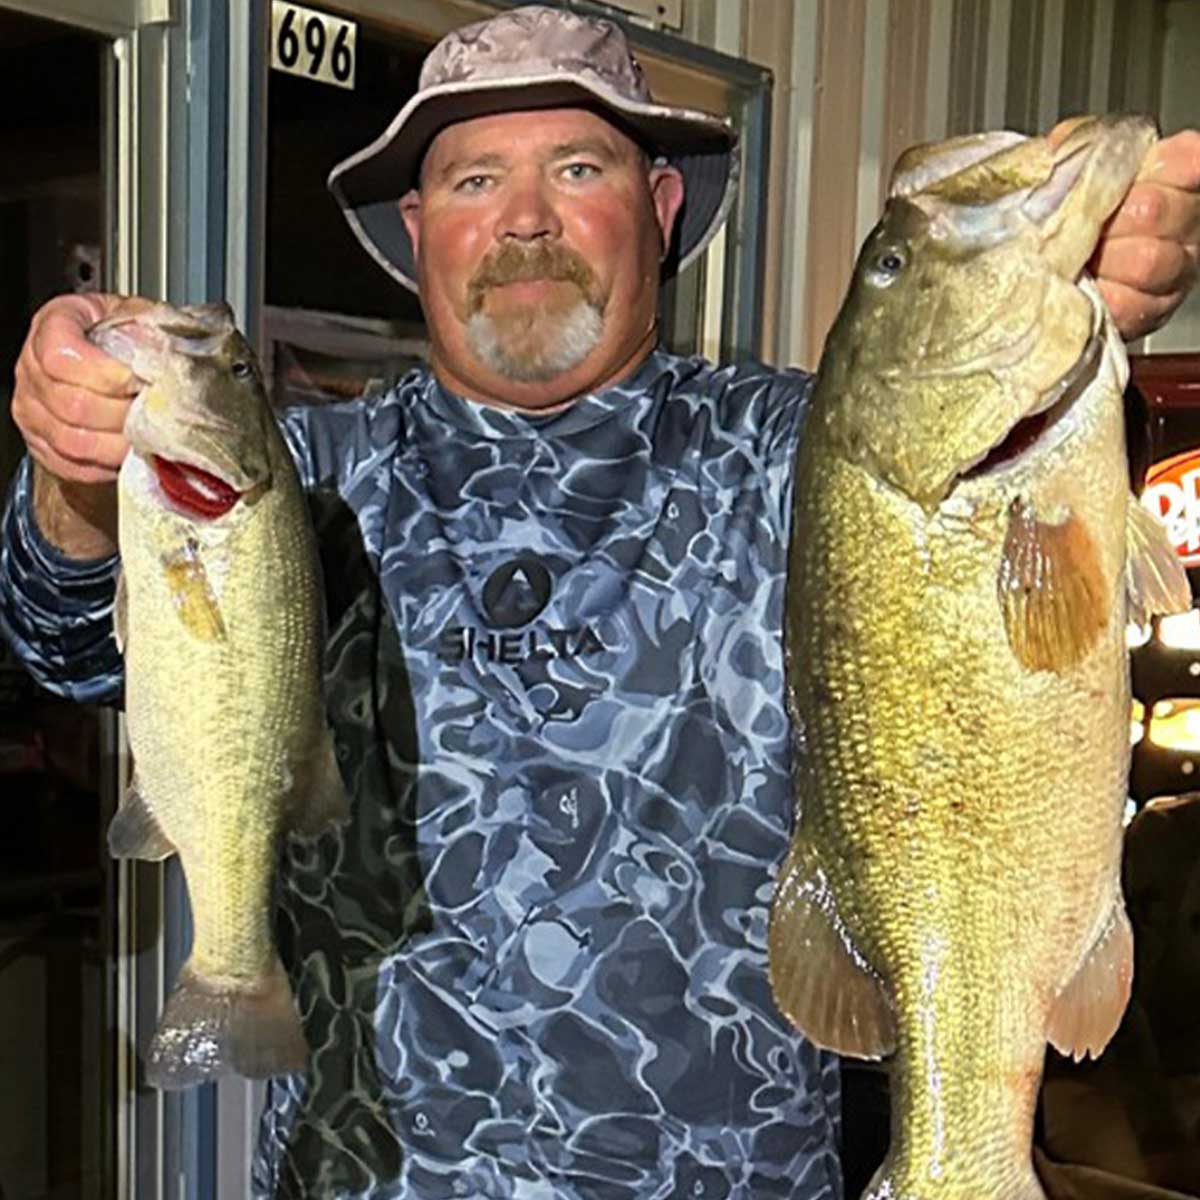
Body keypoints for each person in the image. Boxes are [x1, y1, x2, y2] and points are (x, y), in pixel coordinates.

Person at [2, 6, 1198, 1198]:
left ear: (663, 208)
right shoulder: (301, 478)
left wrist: (1077, 298)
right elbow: (61, 643)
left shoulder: (808, 451)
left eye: (578, 168)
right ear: (419, 232)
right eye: (476, 179)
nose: (524, 220)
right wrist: (76, 490)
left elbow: (1008, 534)